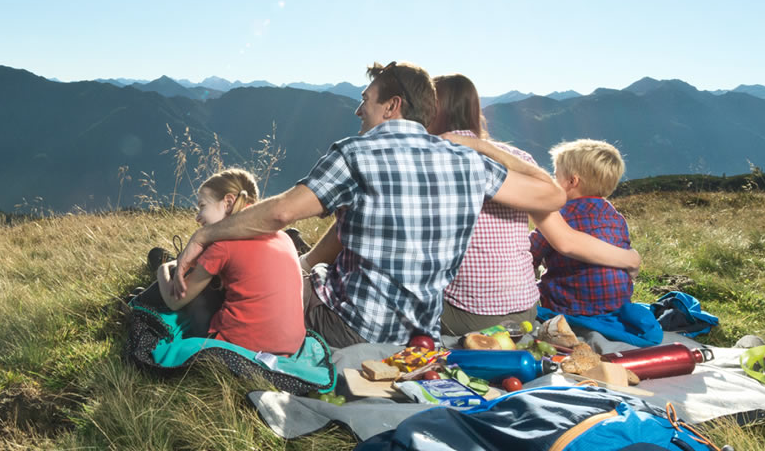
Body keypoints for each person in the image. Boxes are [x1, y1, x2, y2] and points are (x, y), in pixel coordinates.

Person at [177, 62, 564, 346]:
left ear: (391, 106)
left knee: (252, 267)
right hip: (419, 338)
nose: (359, 110)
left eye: (366, 100)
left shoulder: (355, 153)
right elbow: (552, 194)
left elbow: (279, 212)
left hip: (346, 327)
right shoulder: (471, 163)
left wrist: (206, 233)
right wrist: (483, 147)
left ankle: (183, 302)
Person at [424, 75, 643, 336]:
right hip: (525, 310)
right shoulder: (520, 158)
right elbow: (566, 241)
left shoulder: (429, 157)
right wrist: (630, 257)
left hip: (469, 314)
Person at [148, 169, 306, 355]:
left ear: (228, 202)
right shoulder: (284, 237)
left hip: (238, 349)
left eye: (202, 206)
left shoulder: (223, 245)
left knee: (195, 289)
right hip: (290, 346)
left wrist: (163, 269)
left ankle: (137, 303)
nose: (197, 217)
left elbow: (175, 302)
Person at [530, 138, 660, 346]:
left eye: (556, 176)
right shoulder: (616, 218)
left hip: (570, 309)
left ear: (572, 182)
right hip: (616, 306)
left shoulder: (559, 216)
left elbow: (529, 255)